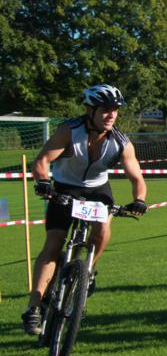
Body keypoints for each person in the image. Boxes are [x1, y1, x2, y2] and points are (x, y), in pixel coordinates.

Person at [23, 85, 148, 335]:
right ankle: (33, 308)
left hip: (98, 190)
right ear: (90, 110)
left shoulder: (121, 142)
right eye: (105, 109)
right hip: (65, 188)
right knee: (54, 244)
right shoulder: (69, 131)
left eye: (115, 110)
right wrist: (43, 182)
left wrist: (139, 199)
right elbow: (42, 161)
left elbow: (137, 177)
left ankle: (88, 269)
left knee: (103, 226)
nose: (111, 115)